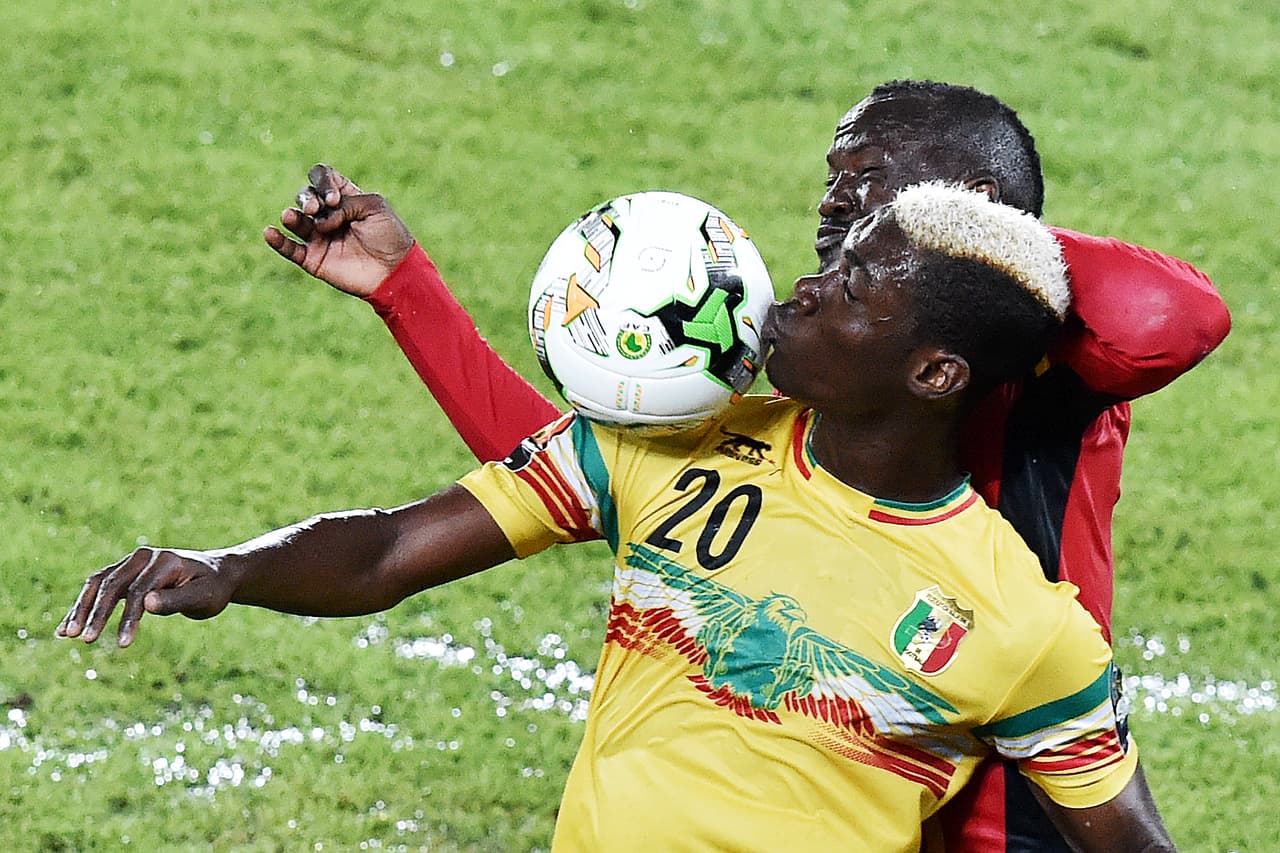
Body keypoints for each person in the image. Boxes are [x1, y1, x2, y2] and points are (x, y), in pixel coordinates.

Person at [263, 81, 1230, 851]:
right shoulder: (842, 360)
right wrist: (407, 292)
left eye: (869, 183)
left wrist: (974, 253)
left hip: (1010, 796)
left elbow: (1178, 317)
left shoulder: (1053, 362)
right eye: (834, 181)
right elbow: (612, 473)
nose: (834, 204)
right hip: (871, 760)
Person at [62, 183, 1175, 851]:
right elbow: (392, 549)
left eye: (848, 294)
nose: (796, 290)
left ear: (933, 374)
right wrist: (230, 566)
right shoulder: (663, 443)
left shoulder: (1025, 627)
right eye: (826, 268)